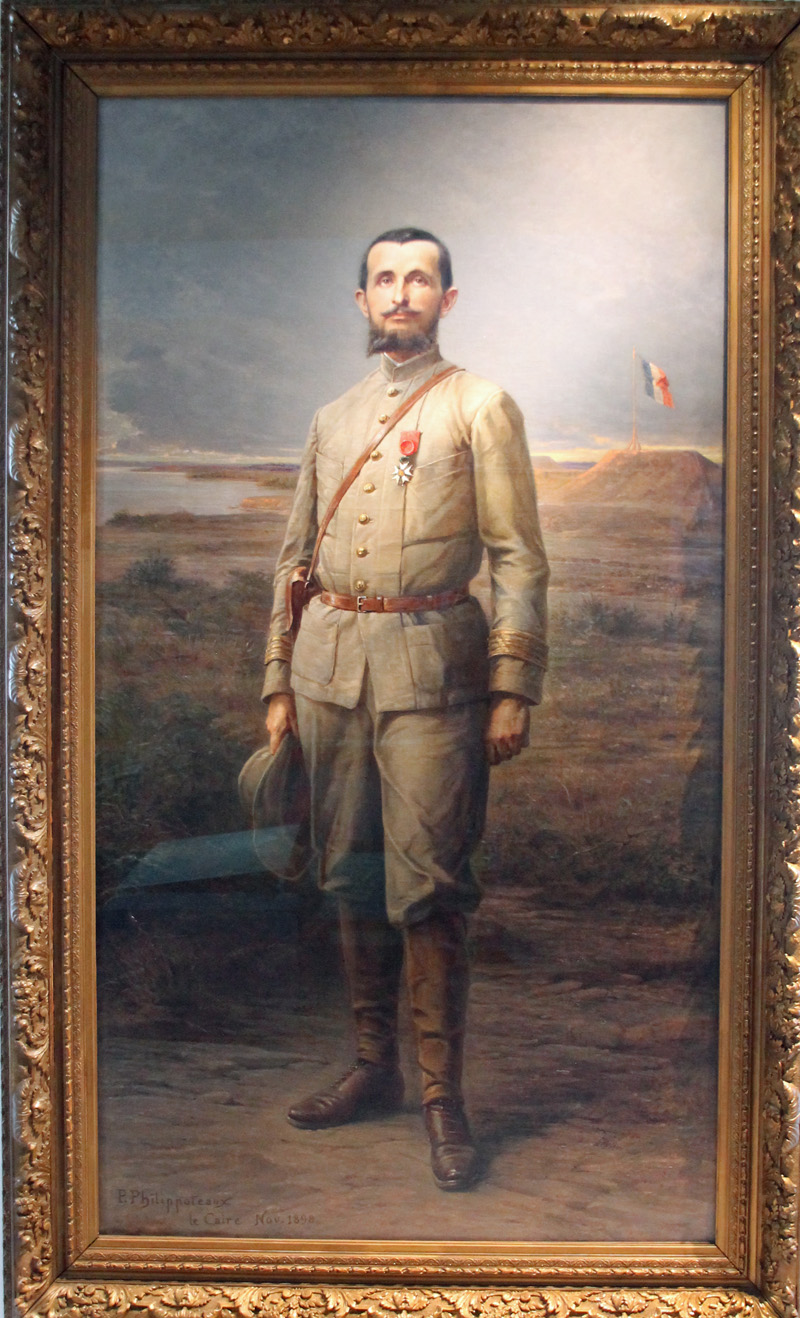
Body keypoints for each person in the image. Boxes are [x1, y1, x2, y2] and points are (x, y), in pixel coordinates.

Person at [262, 227, 549, 1191]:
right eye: (383, 279)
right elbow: (294, 561)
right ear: (361, 300)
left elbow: (518, 559)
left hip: (435, 675)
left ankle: (440, 1098)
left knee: (428, 889)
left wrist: (511, 685)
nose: (399, 293)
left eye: (418, 279)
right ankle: (372, 1068)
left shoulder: (481, 405)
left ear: (446, 299)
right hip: (329, 675)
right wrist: (277, 681)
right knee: (350, 876)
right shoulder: (333, 417)